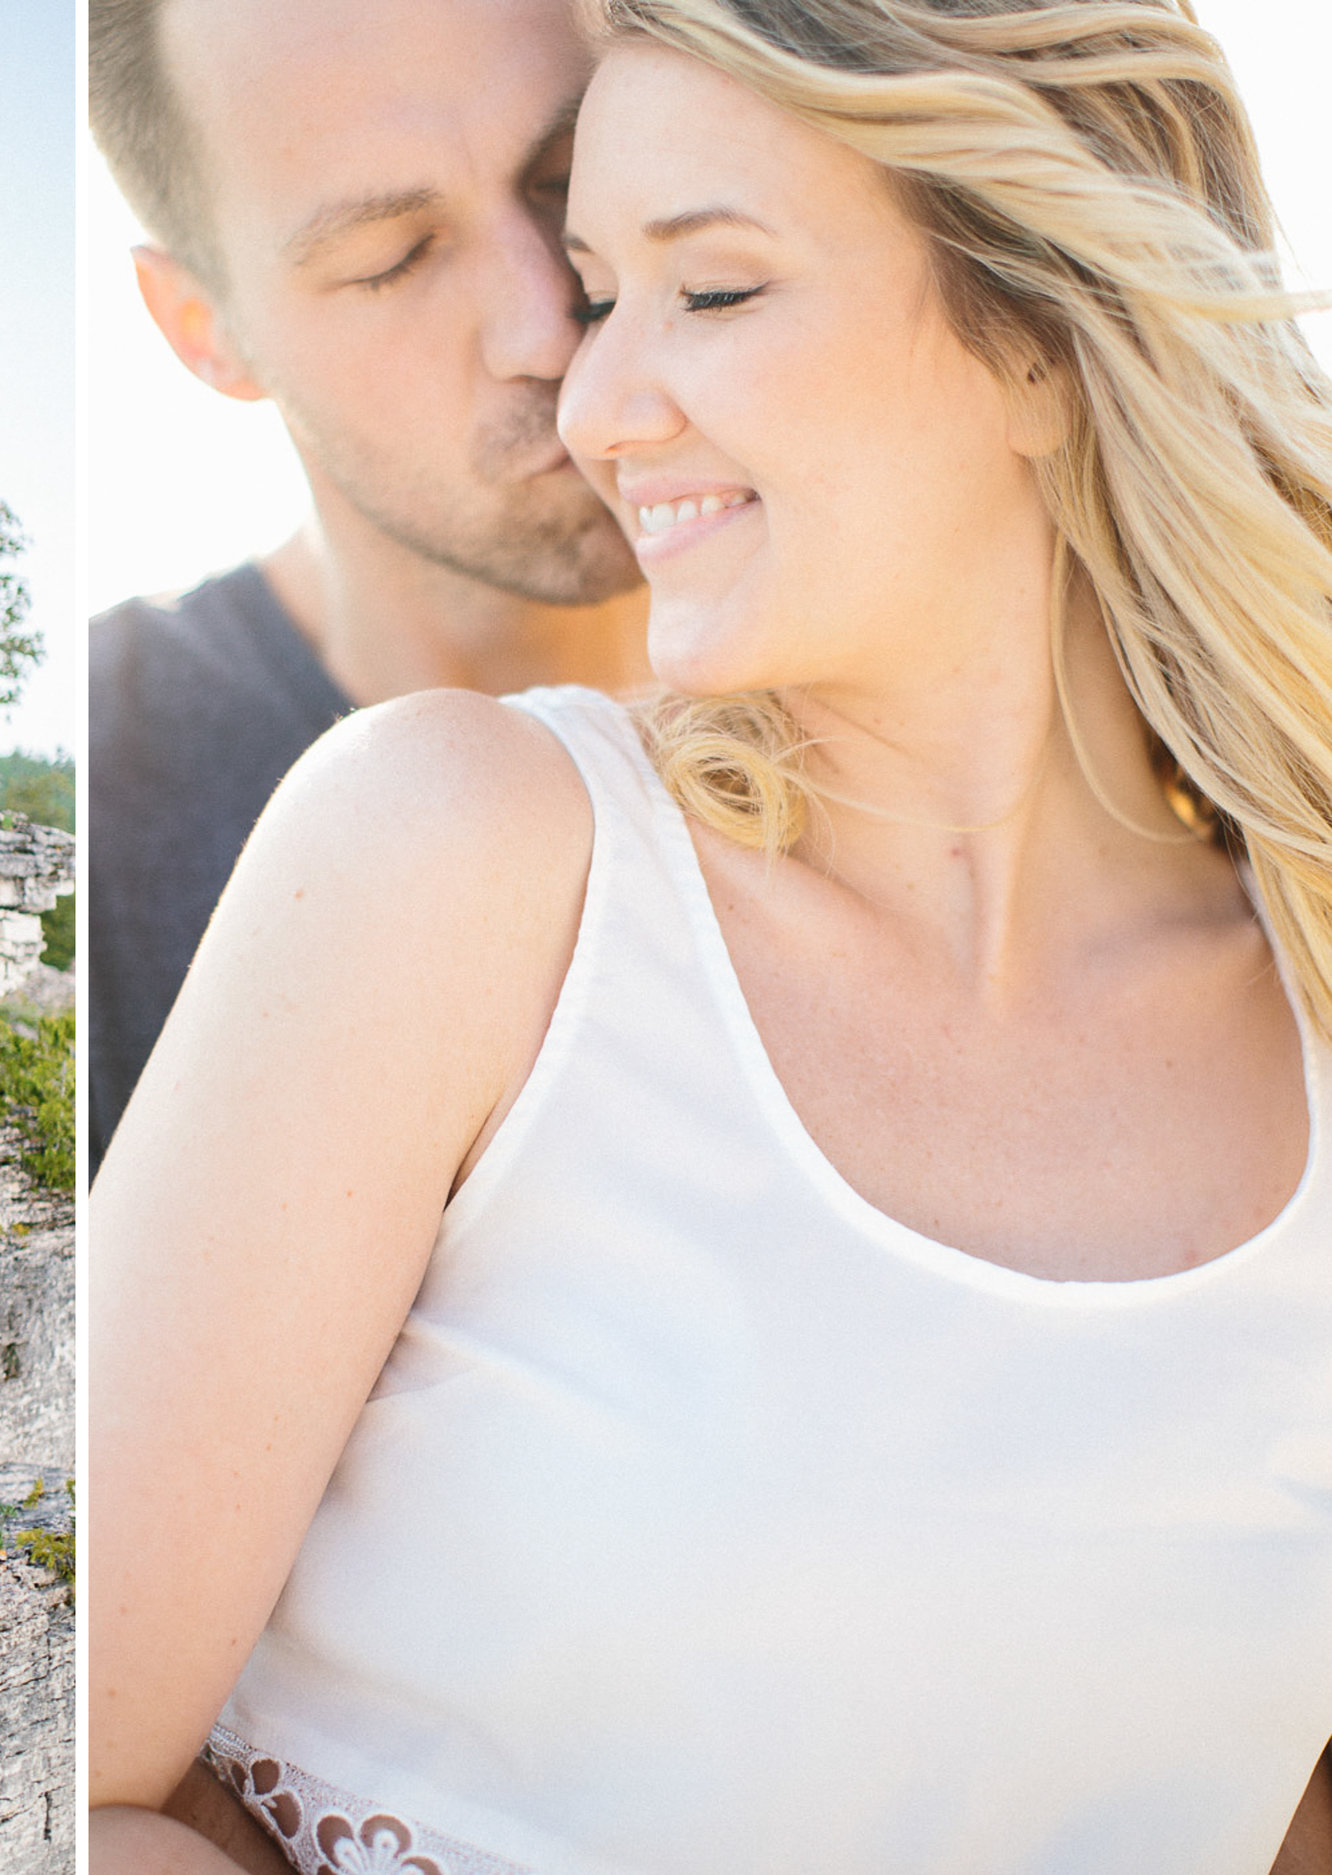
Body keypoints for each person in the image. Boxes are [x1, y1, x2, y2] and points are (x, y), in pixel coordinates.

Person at [91, 0, 1332, 1870]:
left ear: (1049, 341)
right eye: (610, 286)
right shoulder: (455, 858)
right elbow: (58, 1789)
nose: (584, 394)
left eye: (715, 292)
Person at [86, 0, 655, 1169]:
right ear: (204, 329)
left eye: (564, 171)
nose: (545, 322)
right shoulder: (102, 800)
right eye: (392, 260)